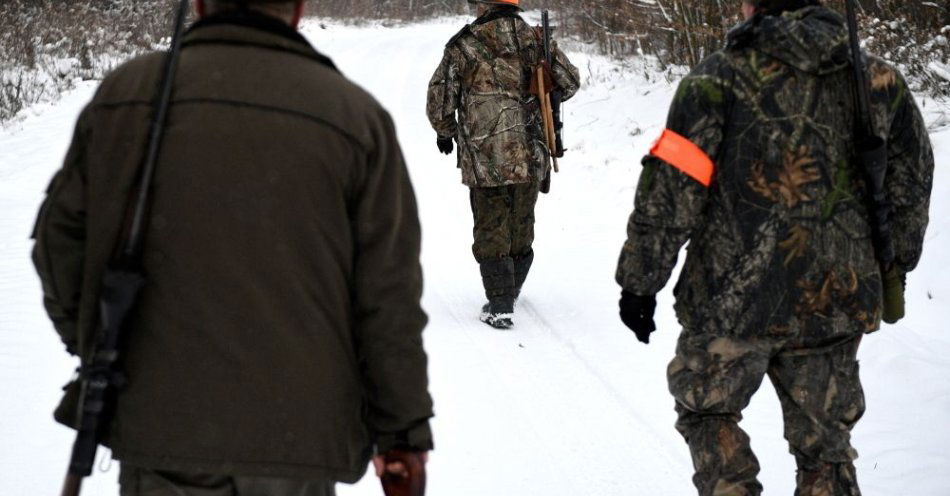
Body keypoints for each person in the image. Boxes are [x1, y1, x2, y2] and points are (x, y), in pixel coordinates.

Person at [32, 0, 434, 494]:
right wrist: (402, 430)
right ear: (298, 11)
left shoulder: (127, 95)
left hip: (162, 428)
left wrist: (107, 350)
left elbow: (58, 244)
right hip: (296, 440)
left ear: (199, 6)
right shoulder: (354, 117)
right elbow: (387, 296)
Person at [614, 0, 934, 494]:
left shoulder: (715, 79)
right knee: (827, 450)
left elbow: (673, 189)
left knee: (707, 411)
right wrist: (893, 262)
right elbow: (911, 182)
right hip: (837, 299)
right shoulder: (878, 81)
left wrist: (640, 281)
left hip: (729, 301)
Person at [426, 0, 580, 329]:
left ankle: (500, 304)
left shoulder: (463, 44)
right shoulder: (537, 41)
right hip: (530, 150)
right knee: (521, 222)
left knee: (491, 225)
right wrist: (541, 92)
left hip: (485, 156)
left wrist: (446, 132)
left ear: (484, 5)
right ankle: (512, 289)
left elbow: (440, 100)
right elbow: (569, 82)